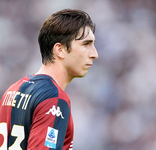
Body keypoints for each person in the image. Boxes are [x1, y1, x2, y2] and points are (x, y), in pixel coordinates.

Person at [0, 9, 98, 150]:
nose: (95, 54)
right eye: (86, 44)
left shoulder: (12, 90)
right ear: (60, 50)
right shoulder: (54, 99)